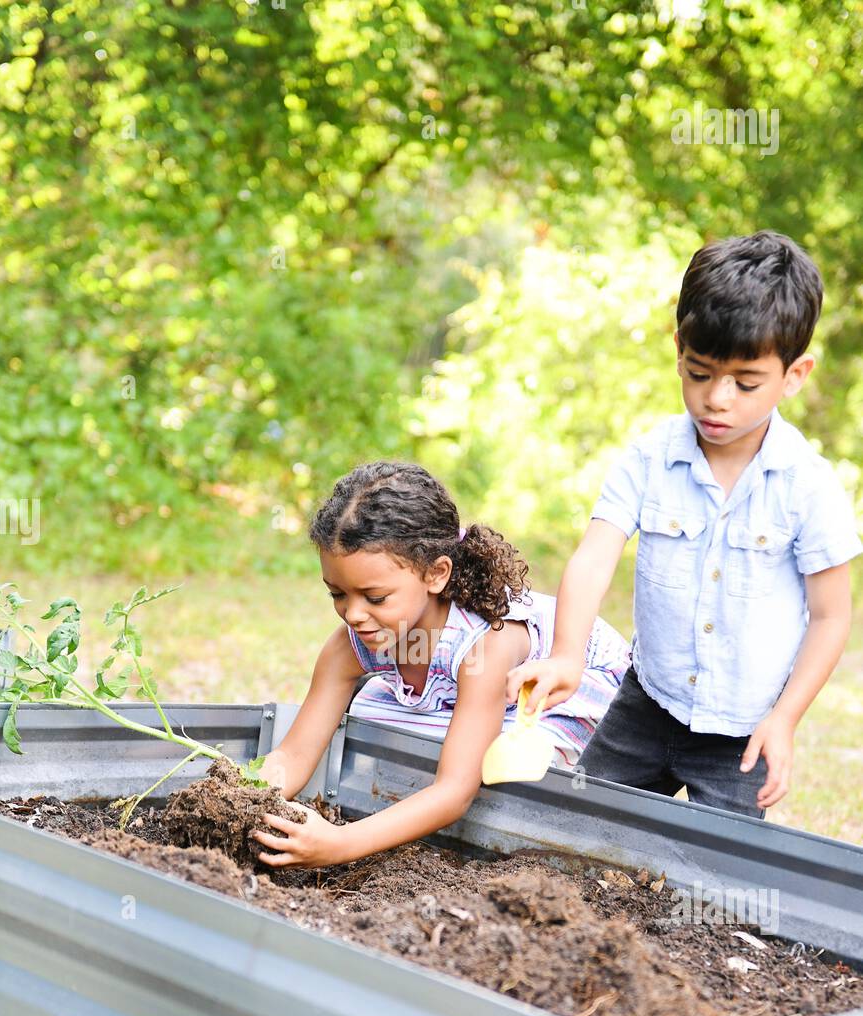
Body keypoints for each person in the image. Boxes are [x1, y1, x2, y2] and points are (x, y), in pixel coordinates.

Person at [507, 230, 863, 818]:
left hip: (741, 738)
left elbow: (830, 617)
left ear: (794, 375)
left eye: (746, 384)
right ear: (679, 349)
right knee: (580, 833)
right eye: (699, 373)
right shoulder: (650, 458)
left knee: (717, 882)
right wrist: (569, 654)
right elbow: (595, 558)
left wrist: (785, 719)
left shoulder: (808, 485)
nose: (717, 399)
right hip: (645, 707)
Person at [252, 461, 630, 867]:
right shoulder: (350, 645)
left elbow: (454, 792)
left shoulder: (486, 648)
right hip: (459, 688)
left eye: (375, 598)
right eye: (338, 595)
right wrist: (246, 797)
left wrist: (340, 844)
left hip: (558, 691)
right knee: (374, 718)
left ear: (435, 574)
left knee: (496, 764)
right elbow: (292, 756)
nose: (354, 614)